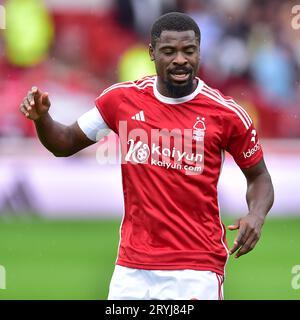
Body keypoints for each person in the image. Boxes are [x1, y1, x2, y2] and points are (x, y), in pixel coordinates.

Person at [19, 12, 274, 300]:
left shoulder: (227, 114)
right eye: (169, 51)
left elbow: (260, 177)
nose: (180, 59)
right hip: (131, 268)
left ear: (199, 52)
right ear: (152, 53)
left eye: (188, 51)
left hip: (196, 267)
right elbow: (63, 143)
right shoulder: (121, 100)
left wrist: (256, 215)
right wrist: (42, 119)